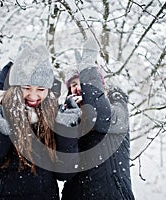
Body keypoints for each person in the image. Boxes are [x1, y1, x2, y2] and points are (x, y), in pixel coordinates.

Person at [0, 44, 78, 200]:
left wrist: (66, 130)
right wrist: (1, 131)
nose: (33, 96)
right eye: (26, 87)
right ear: (15, 86)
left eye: (41, 89)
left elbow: (65, 173)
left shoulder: (55, 117)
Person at [57, 38, 135, 200]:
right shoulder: (66, 116)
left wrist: (87, 68)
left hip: (113, 195)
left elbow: (100, 116)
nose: (77, 87)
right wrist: (68, 126)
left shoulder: (117, 107)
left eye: (81, 83)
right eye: (72, 84)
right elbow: (65, 171)